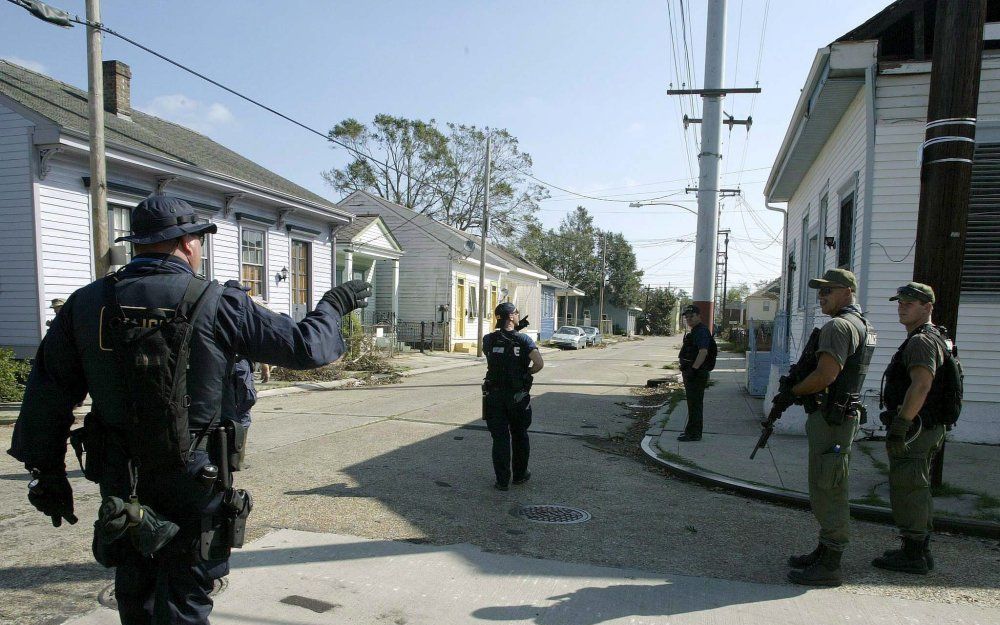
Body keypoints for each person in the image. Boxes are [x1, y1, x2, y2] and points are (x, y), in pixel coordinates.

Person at [7, 195, 372, 625]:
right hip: (197, 475)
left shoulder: (86, 304)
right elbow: (307, 347)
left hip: (123, 476)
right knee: (186, 594)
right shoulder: (220, 303)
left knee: (136, 587)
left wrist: (46, 472)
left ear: (140, 245)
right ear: (185, 243)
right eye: (198, 239)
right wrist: (332, 305)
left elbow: (48, 393)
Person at [782, 268, 876, 587]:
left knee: (828, 487)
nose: (821, 297)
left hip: (832, 419)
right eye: (819, 291)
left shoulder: (839, 325)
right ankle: (824, 551)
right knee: (828, 482)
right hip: (839, 416)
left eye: (828, 291)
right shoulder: (860, 324)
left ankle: (831, 562)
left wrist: (793, 391)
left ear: (847, 292)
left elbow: (825, 376)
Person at [872, 282, 947, 575]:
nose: (902, 306)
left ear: (927, 307)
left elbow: (922, 384)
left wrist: (901, 426)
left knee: (909, 488)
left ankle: (914, 554)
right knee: (917, 485)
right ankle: (916, 549)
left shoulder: (921, 341)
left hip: (917, 428)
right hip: (925, 426)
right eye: (900, 301)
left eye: (910, 302)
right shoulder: (932, 337)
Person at [482, 302, 543, 491]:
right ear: (510, 316)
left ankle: (502, 481)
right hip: (517, 396)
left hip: (494, 396)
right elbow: (539, 364)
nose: (518, 316)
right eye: (516, 313)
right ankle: (519, 475)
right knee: (519, 435)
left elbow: (497, 352)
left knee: (499, 438)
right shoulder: (524, 340)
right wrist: (526, 372)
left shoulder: (488, 339)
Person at [677, 304, 716, 442]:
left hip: (696, 374)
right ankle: (691, 431)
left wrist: (694, 369)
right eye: (687, 317)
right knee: (693, 404)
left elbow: (703, 351)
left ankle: (694, 434)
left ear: (699, 316)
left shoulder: (701, 331)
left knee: (695, 404)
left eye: (691, 316)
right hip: (692, 372)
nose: (689, 319)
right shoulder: (695, 331)